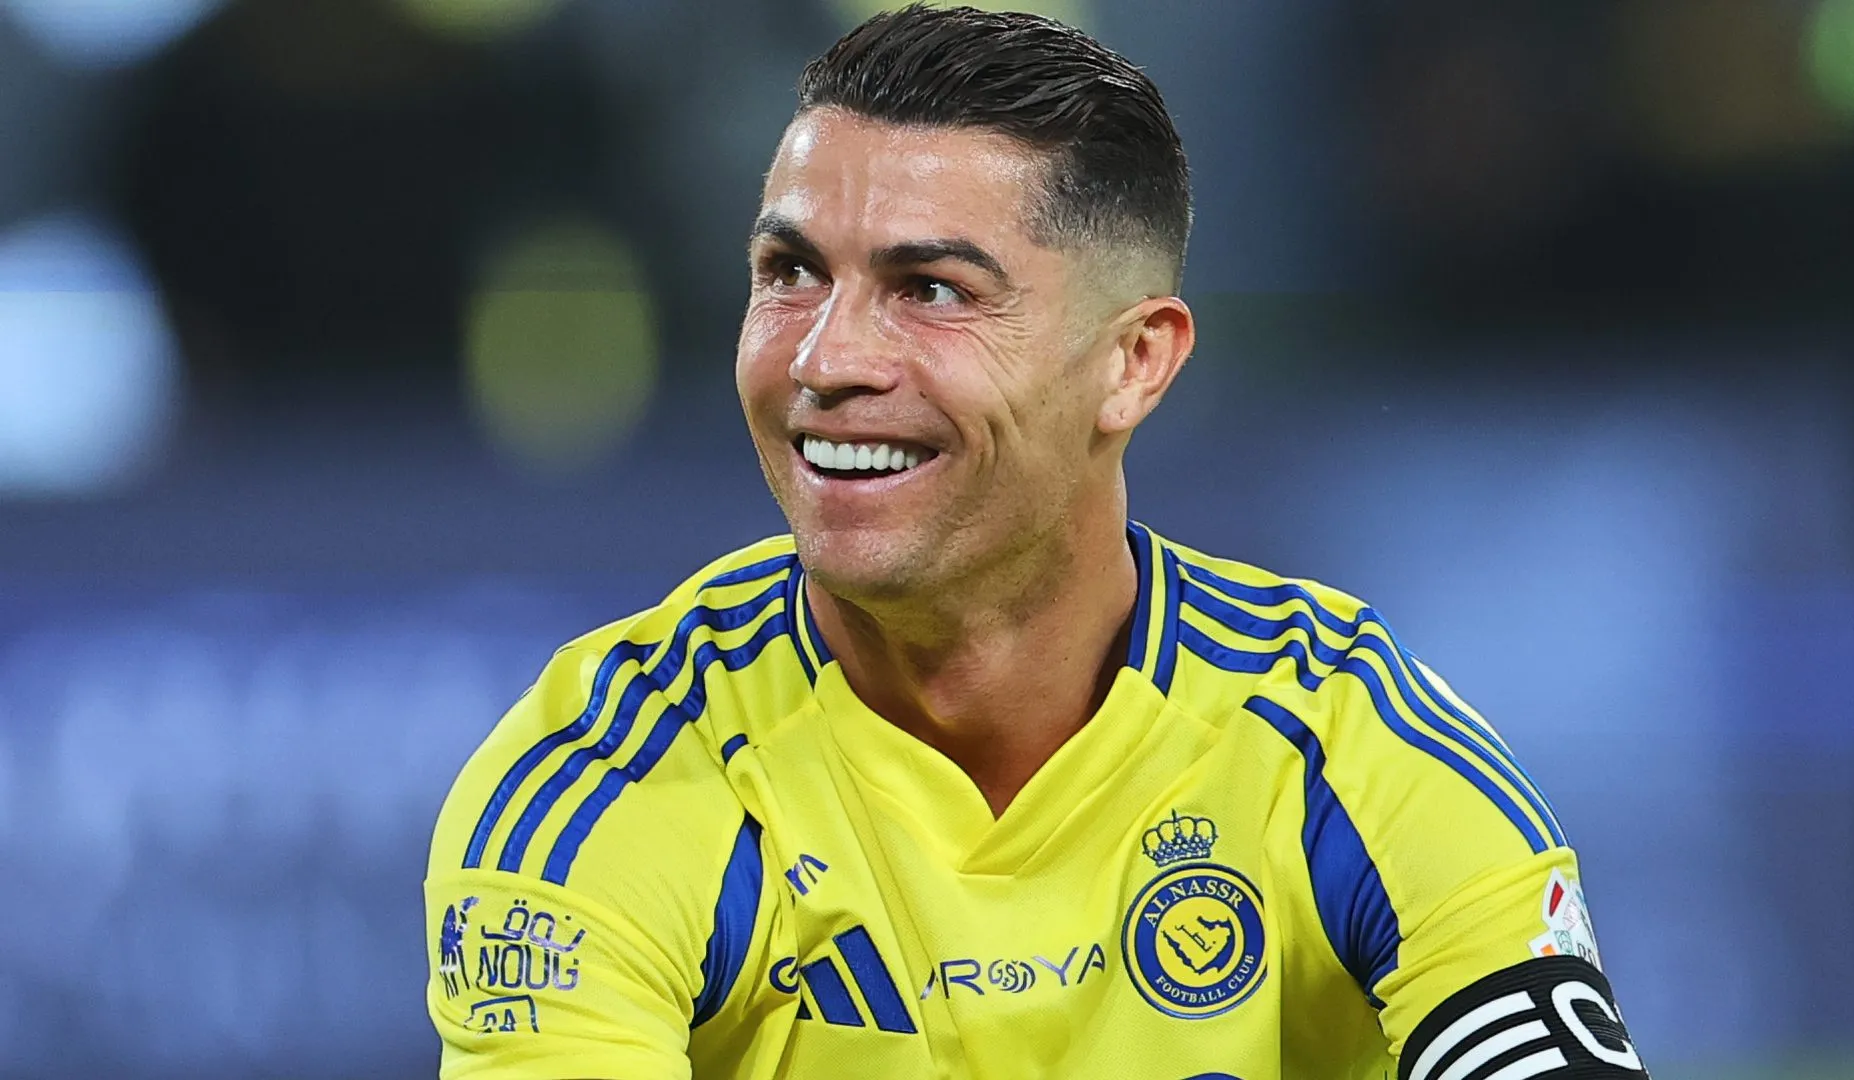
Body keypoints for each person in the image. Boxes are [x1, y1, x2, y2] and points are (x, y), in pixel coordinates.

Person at [423, 6, 1649, 1078]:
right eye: (789, 271)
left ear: (1133, 363)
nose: (826, 360)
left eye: (933, 290)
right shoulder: (604, 783)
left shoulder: (1343, 748)